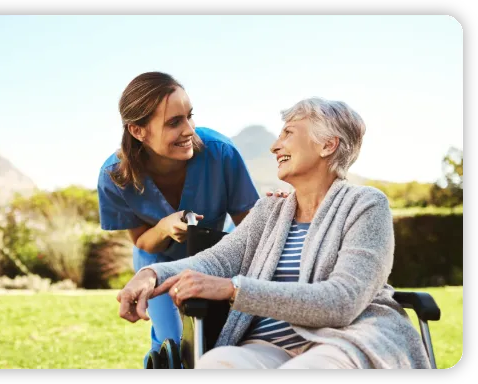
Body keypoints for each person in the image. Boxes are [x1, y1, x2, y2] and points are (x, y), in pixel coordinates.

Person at [116, 97, 433, 369]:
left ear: (327, 144)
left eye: (288, 133)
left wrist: (233, 290)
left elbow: (343, 301)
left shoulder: (364, 204)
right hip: (267, 347)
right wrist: (151, 274)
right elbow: (213, 262)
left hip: (344, 341)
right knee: (215, 363)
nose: (274, 145)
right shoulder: (270, 212)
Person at [97, 71, 273, 364]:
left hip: (216, 254)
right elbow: (142, 240)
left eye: (190, 116)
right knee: (175, 347)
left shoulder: (221, 153)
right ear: (138, 131)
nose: (189, 129)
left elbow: (251, 229)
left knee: (220, 340)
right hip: (157, 262)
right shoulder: (114, 177)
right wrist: (165, 227)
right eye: (173, 122)